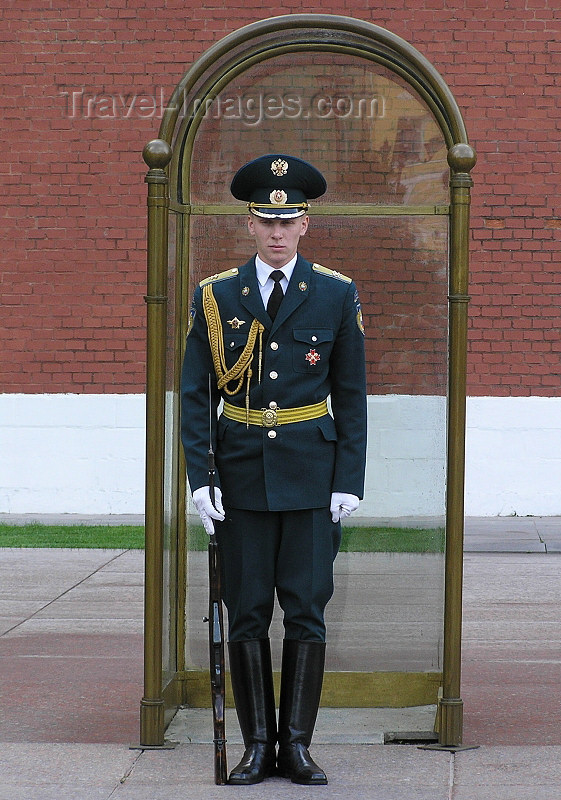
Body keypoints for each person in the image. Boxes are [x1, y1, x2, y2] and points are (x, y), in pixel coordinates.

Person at [181, 154, 367, 786]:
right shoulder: (216, 296)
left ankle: (298, 746)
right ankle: (257, 746)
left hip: (312, 473)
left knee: (307, 609)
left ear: (306, 223)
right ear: (250, 225)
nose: (279, 231)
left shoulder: (337, 293)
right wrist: (200, 476)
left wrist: (349, 478)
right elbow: (196, 395)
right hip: (240, 475)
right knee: (249, 608)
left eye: (289, 218)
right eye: (267, 219)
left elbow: (352, 392)